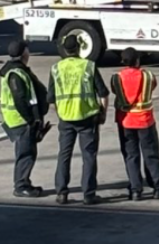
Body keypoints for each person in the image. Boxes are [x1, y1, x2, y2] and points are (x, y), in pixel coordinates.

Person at [48, 34, 109, 206]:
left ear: (65, 49)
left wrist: (60, 113)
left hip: (66, 118)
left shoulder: (56, 68)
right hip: (87, 118)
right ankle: (88, 194)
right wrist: (103, 113)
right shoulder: (88, 66)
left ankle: (61, 193)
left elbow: (51, 99)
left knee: (64, 155)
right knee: (88, 156)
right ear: (79, 48)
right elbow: (103, 93)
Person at [111, 48, 159, 200]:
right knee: (151, 155)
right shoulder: (148, 76)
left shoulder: (116, 78)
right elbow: (153, 86)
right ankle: (158, 187)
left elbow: (115, 91)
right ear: (137, 60)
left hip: (125, 121)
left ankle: (135, 190)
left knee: (131, 156)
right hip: (145, 120)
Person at [0, 40, 49, 198]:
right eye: (27, 49)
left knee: (28, 152)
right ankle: (20, 185)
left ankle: (24, 181)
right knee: (25, 153)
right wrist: (31, 119)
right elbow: (20, 99)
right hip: (20, 121)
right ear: (23, 54)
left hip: (20, 120)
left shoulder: (17, 71)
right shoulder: (15, 74)